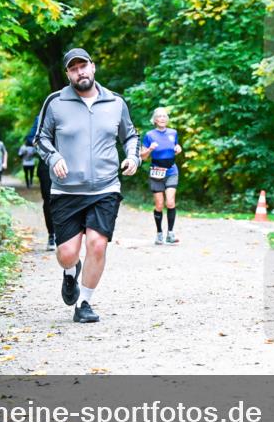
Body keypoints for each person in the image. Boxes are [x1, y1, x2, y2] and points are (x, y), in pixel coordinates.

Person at [35, 48, 141, 324]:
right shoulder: (55, 102)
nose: (80, 71)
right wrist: (54, 156)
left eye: (84, 66)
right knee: (67, 253)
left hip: (105, 187)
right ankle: (71, 273)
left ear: (93, 68)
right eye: (73, 68)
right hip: (66, 190)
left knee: (97, 244)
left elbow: (130, 135)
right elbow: (40, 139)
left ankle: (85, 303)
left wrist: (132, 157)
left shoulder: (115, 102)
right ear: (68, 73)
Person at [140, 107, 182, 245]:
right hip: (156, 172)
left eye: (165, 116)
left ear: (167, 119)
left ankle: (170, 234)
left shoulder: (173, 133)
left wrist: (178, 149)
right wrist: (150, 149)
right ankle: (159, 233)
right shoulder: (149, 135)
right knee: (159, 204)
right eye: (160, 116)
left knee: (170, 202)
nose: (162, 118)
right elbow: (143, 156)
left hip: (171, 170)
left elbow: (175, 148)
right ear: (155, 119)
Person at [26, 114, 56, 250]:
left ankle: (68, 235)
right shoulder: (41, 117)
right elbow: (30, 139)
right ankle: (52, 235)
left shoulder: (75, 113)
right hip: (47, 164)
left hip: (71, 164)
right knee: (49, 200)